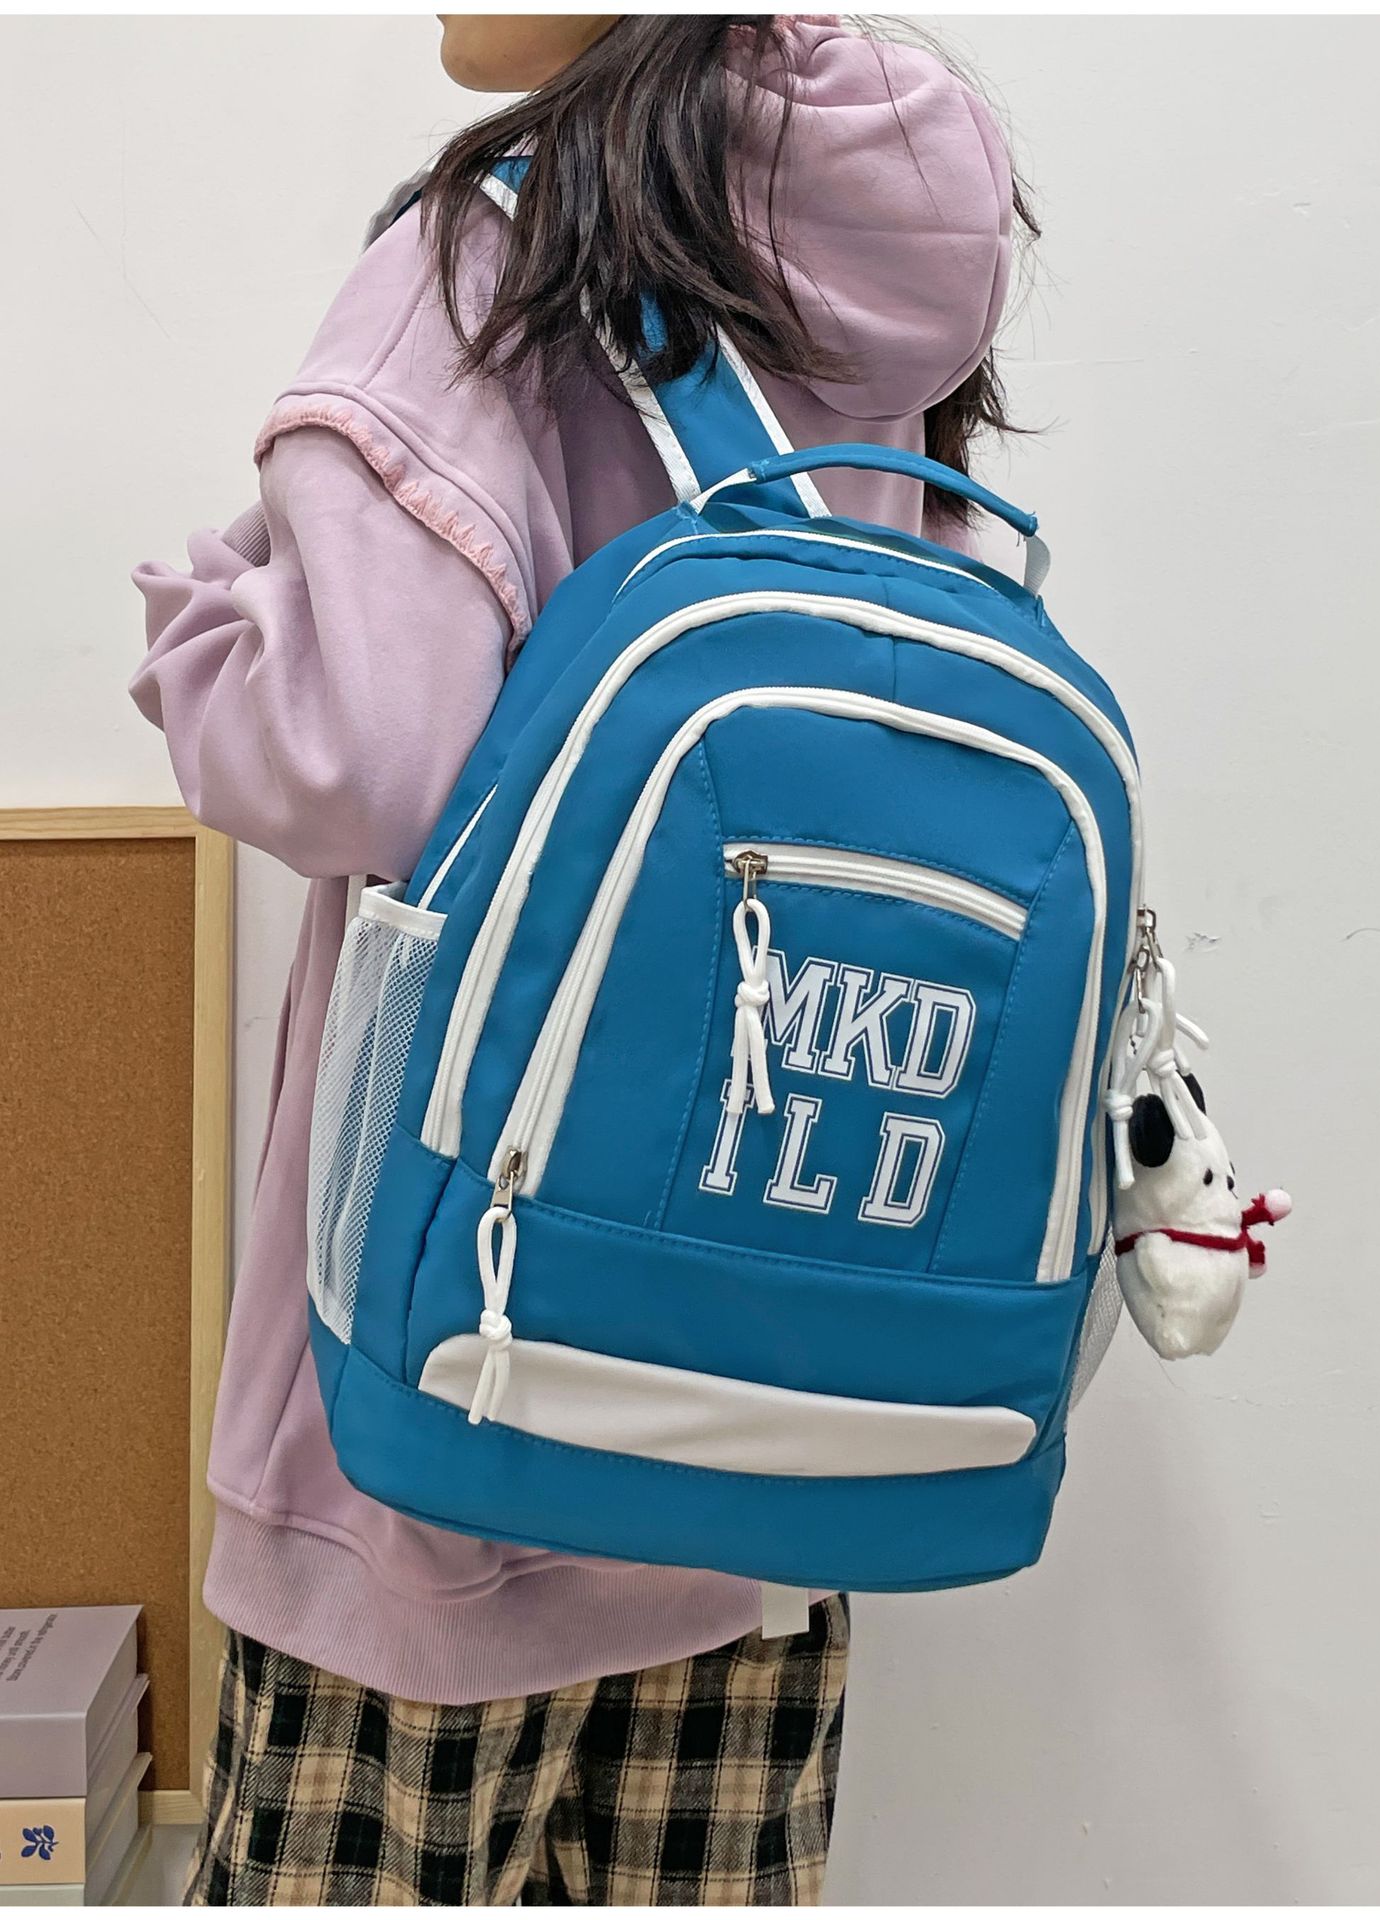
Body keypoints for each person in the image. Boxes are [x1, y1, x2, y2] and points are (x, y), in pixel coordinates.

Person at [132, 14, 1031, 1905]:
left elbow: (360, 761)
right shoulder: (873, 257)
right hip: (765, 1425)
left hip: (450, 1432)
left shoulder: (496, 254)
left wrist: (211, 625)